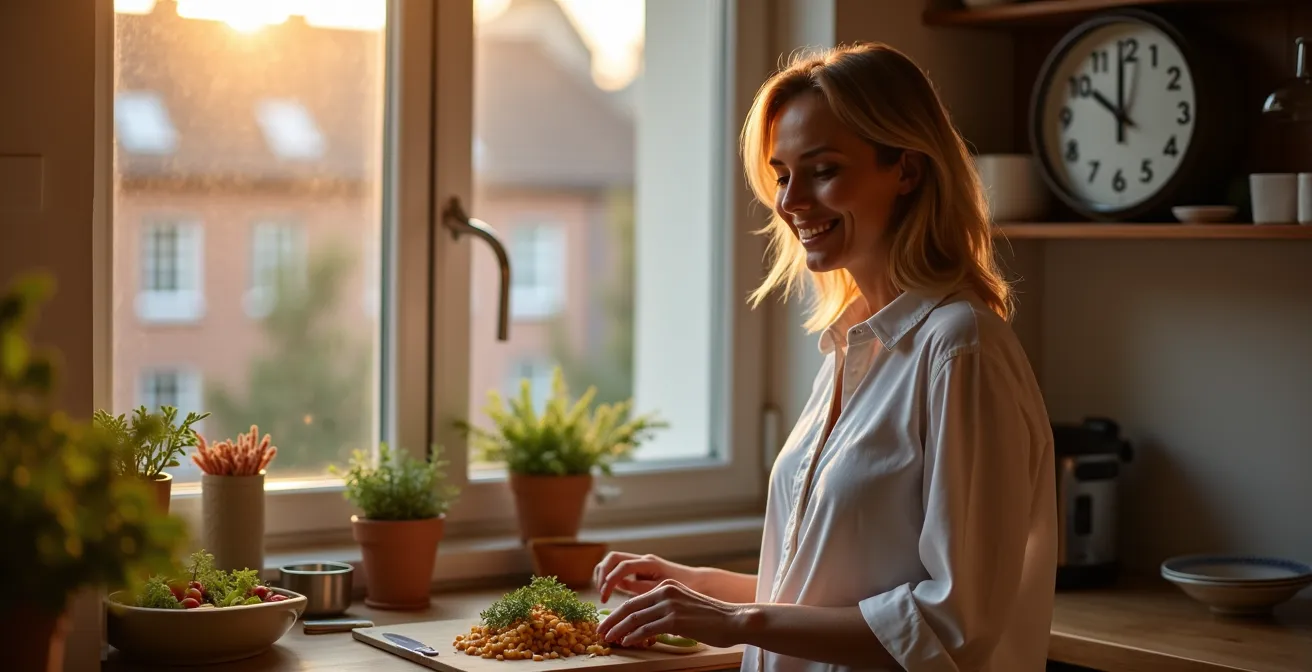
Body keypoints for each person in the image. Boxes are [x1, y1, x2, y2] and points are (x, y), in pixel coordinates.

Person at [592, 42, 1057, 672]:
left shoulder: (960, 348)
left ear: (907, 169)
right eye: (783, 175)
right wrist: (697, 587)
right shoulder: (850, 348)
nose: (790, 202)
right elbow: (827, 595)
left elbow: (952, 624)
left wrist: (734, 621)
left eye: (823, 170)